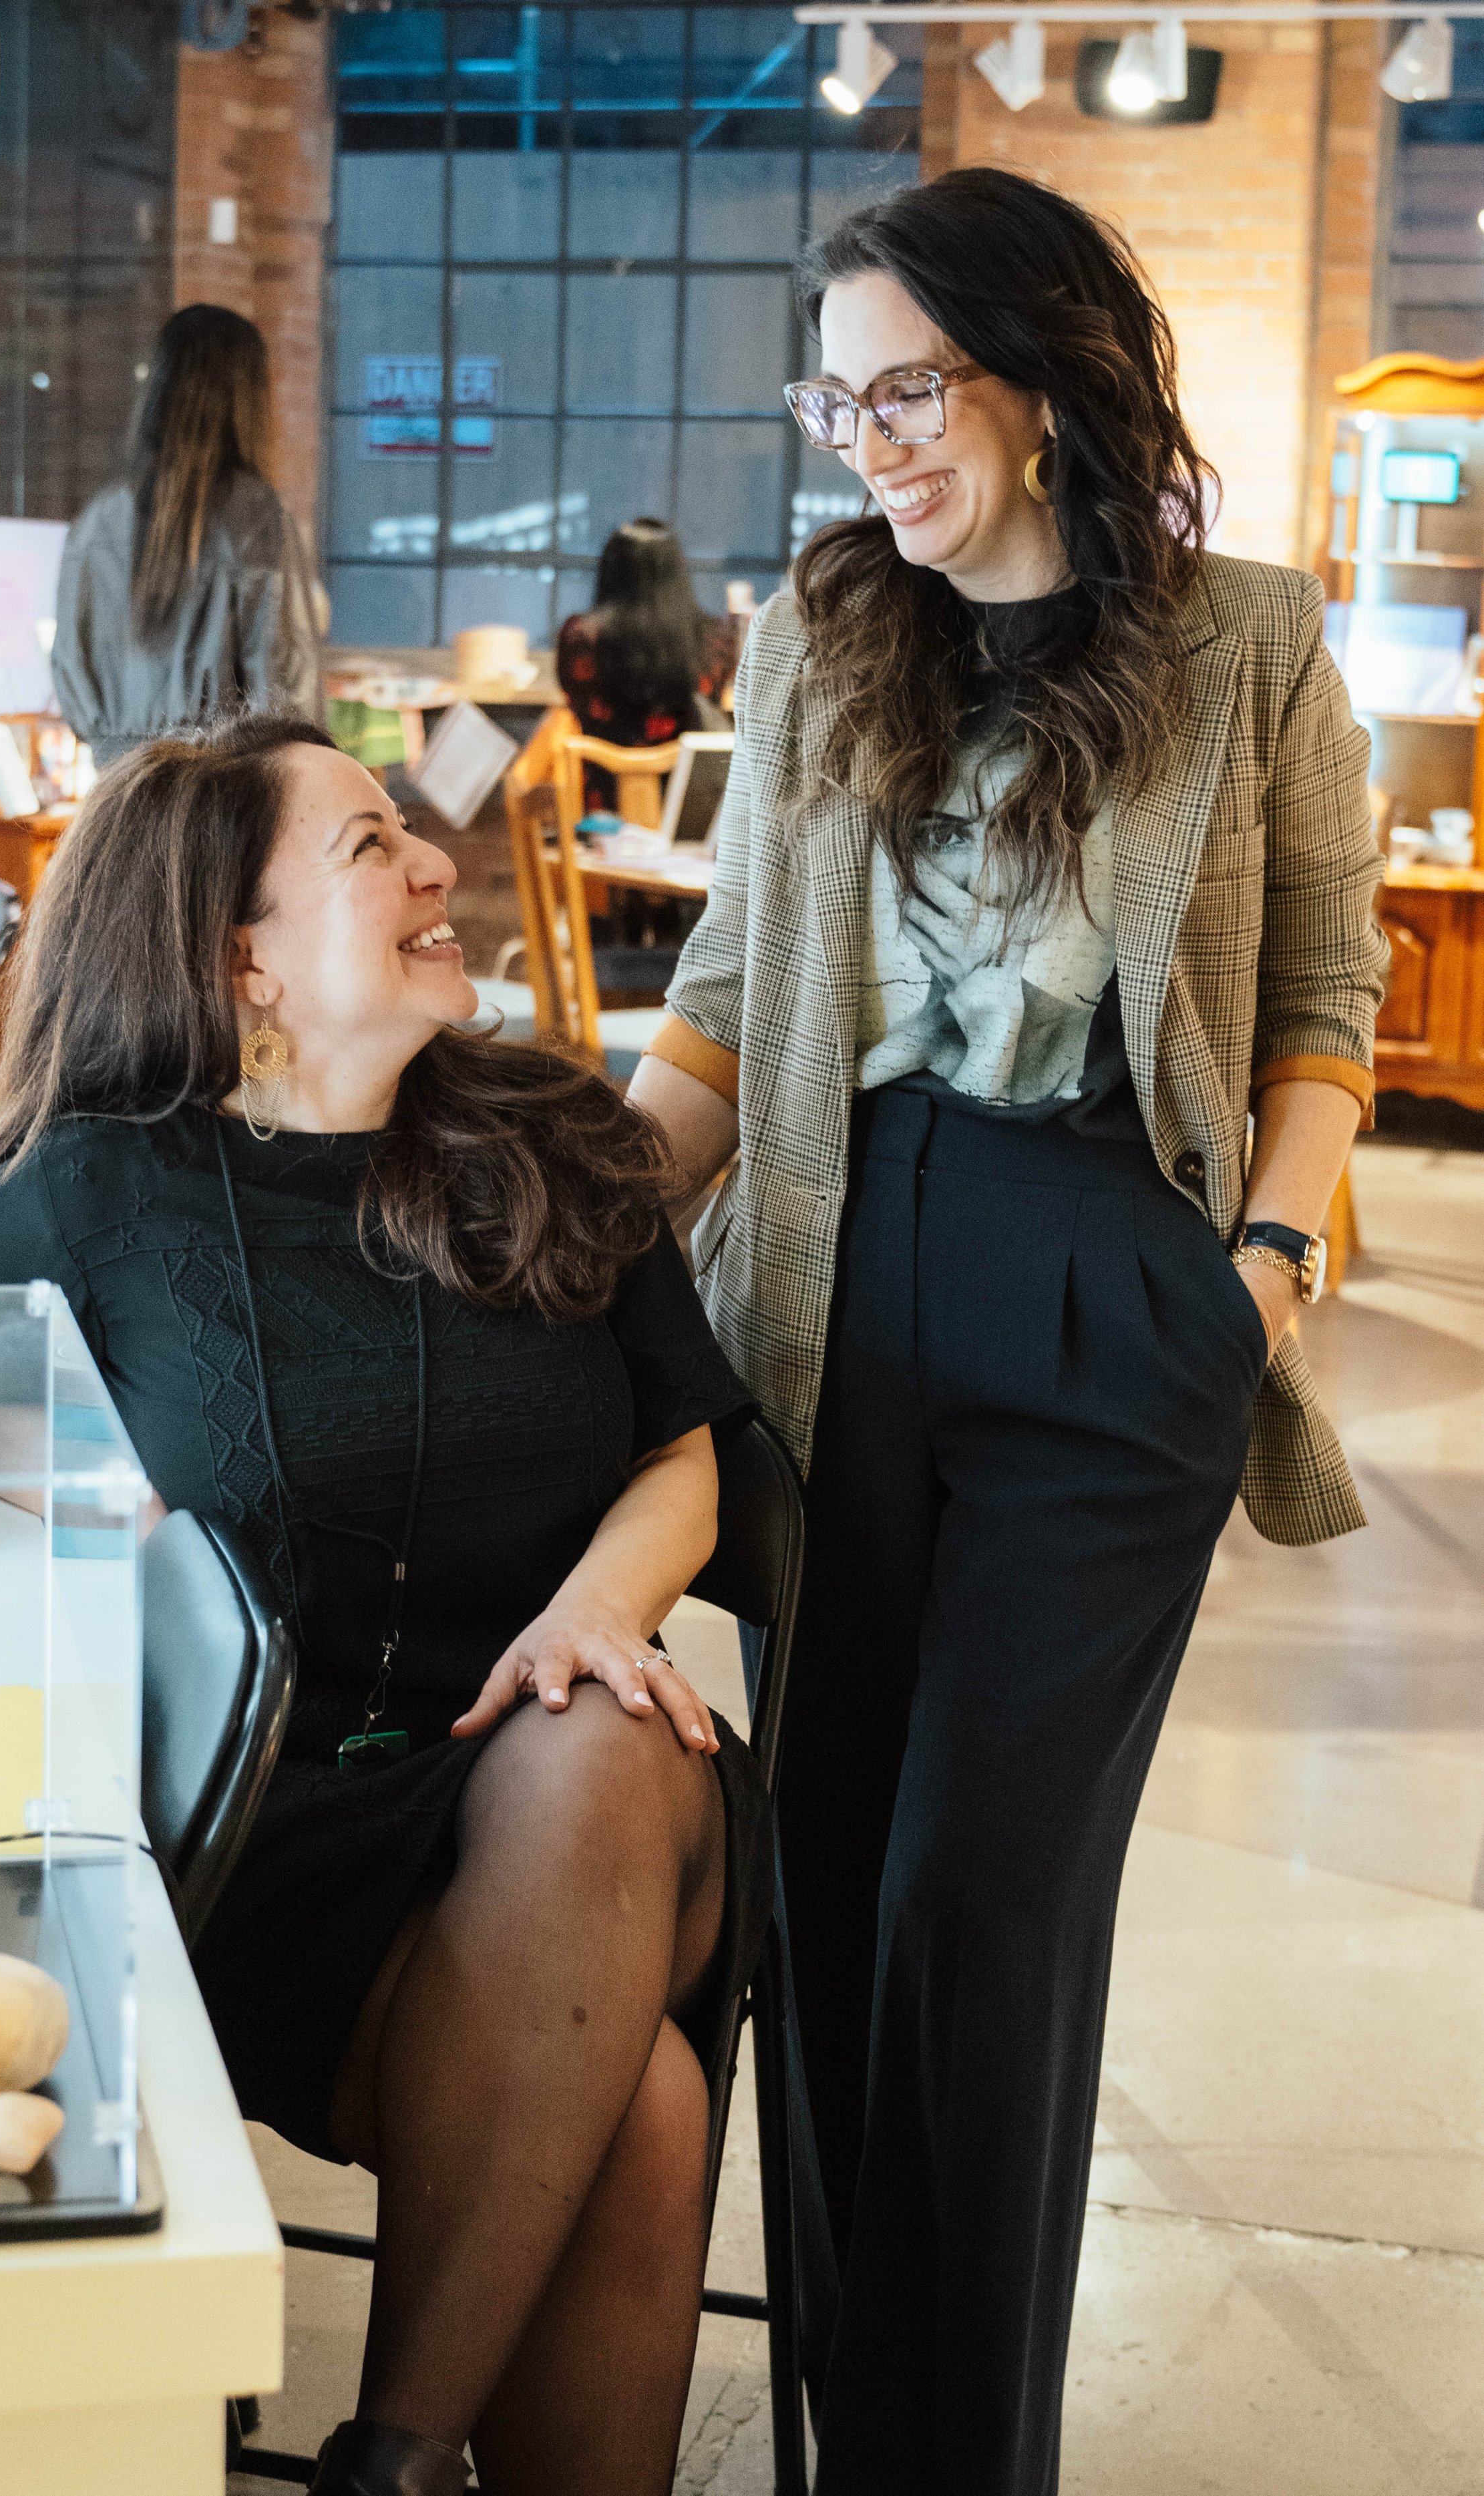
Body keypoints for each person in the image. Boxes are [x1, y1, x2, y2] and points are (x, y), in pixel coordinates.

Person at [628, 166, 1388, 2496]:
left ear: (1040, 382)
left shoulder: (1247, 644)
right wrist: (583, 1223)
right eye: (833, 392)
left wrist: (1249, 1277)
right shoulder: (810, 641)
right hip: (841, 1282)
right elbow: (733, 992)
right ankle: (867, 2436)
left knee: (984, 1893)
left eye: (903, 385)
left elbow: (1322, 1003)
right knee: (835, 1877)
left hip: (1111, 1292)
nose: (863, 434)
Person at [0, 715, 769, 2496]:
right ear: (235, 955)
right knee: (636, 2117)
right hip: (261, 1846)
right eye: (365, 847)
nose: (430, 865)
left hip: (573, 1829)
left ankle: (390, 2454)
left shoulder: (548, 1131)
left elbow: (684, 1457)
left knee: (595, 1733)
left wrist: (592, 1614)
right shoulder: (83, 1200)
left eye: (411, 834)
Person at [51, 305, 321, 769]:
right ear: (248, 399)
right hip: (223, 810)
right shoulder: (260, 523)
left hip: (118, 803)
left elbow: (72, 679)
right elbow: (288, 699)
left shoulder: (96, 524)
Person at [557, 518, 736, 813]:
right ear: (678, 573)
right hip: (684, 821)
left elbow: (574, 700)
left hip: (599, 821)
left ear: (610, 572)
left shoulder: (579, 639)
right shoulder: (714, 640)